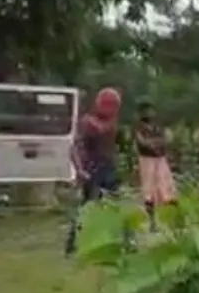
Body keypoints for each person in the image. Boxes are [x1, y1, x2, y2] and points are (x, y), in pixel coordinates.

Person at [65, 87, 124, 257]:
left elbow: (113, 148)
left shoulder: (112, 123)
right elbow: (74, 147)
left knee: (115, 206)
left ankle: (124, 240)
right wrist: (80, 169)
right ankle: (72, 244)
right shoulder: (88, 123)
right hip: (92, 170)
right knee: (87, 208)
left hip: (109, 168)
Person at [134, 99, 177, 231]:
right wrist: (158, 142)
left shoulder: (159, 126)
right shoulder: (138, 127)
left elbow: (168, 139)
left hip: (160, 160)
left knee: (167, 188)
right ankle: (153, 222)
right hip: (147, 161)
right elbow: (143, 143)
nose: (149, 113)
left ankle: (173, 221)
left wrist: (155, 143)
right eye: (146, 110)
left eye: (151, 110)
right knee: (149, 192)